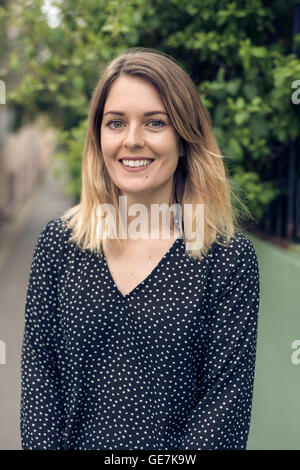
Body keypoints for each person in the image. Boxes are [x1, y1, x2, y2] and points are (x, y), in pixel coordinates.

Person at [20, 47, 260, 450]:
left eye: (155, 123)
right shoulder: (58, 245)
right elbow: (40, 388)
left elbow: (224, 413)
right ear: (99, 137)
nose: (132, 140)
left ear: (184, 140)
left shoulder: (227, 259)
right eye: (116, 123)